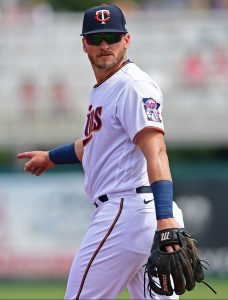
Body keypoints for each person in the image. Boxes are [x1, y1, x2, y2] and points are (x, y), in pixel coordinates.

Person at [17, 4, 185, 299]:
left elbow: (156, 151)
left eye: (112, 37)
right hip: (139, 214)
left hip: (126, 212)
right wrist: (51, 157)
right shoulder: (107, 88)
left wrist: (166, 218)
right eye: (96, 39)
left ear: (127, 40)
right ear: (85, 45)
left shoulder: (133, 86)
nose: (105, 45)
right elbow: (94, 145)